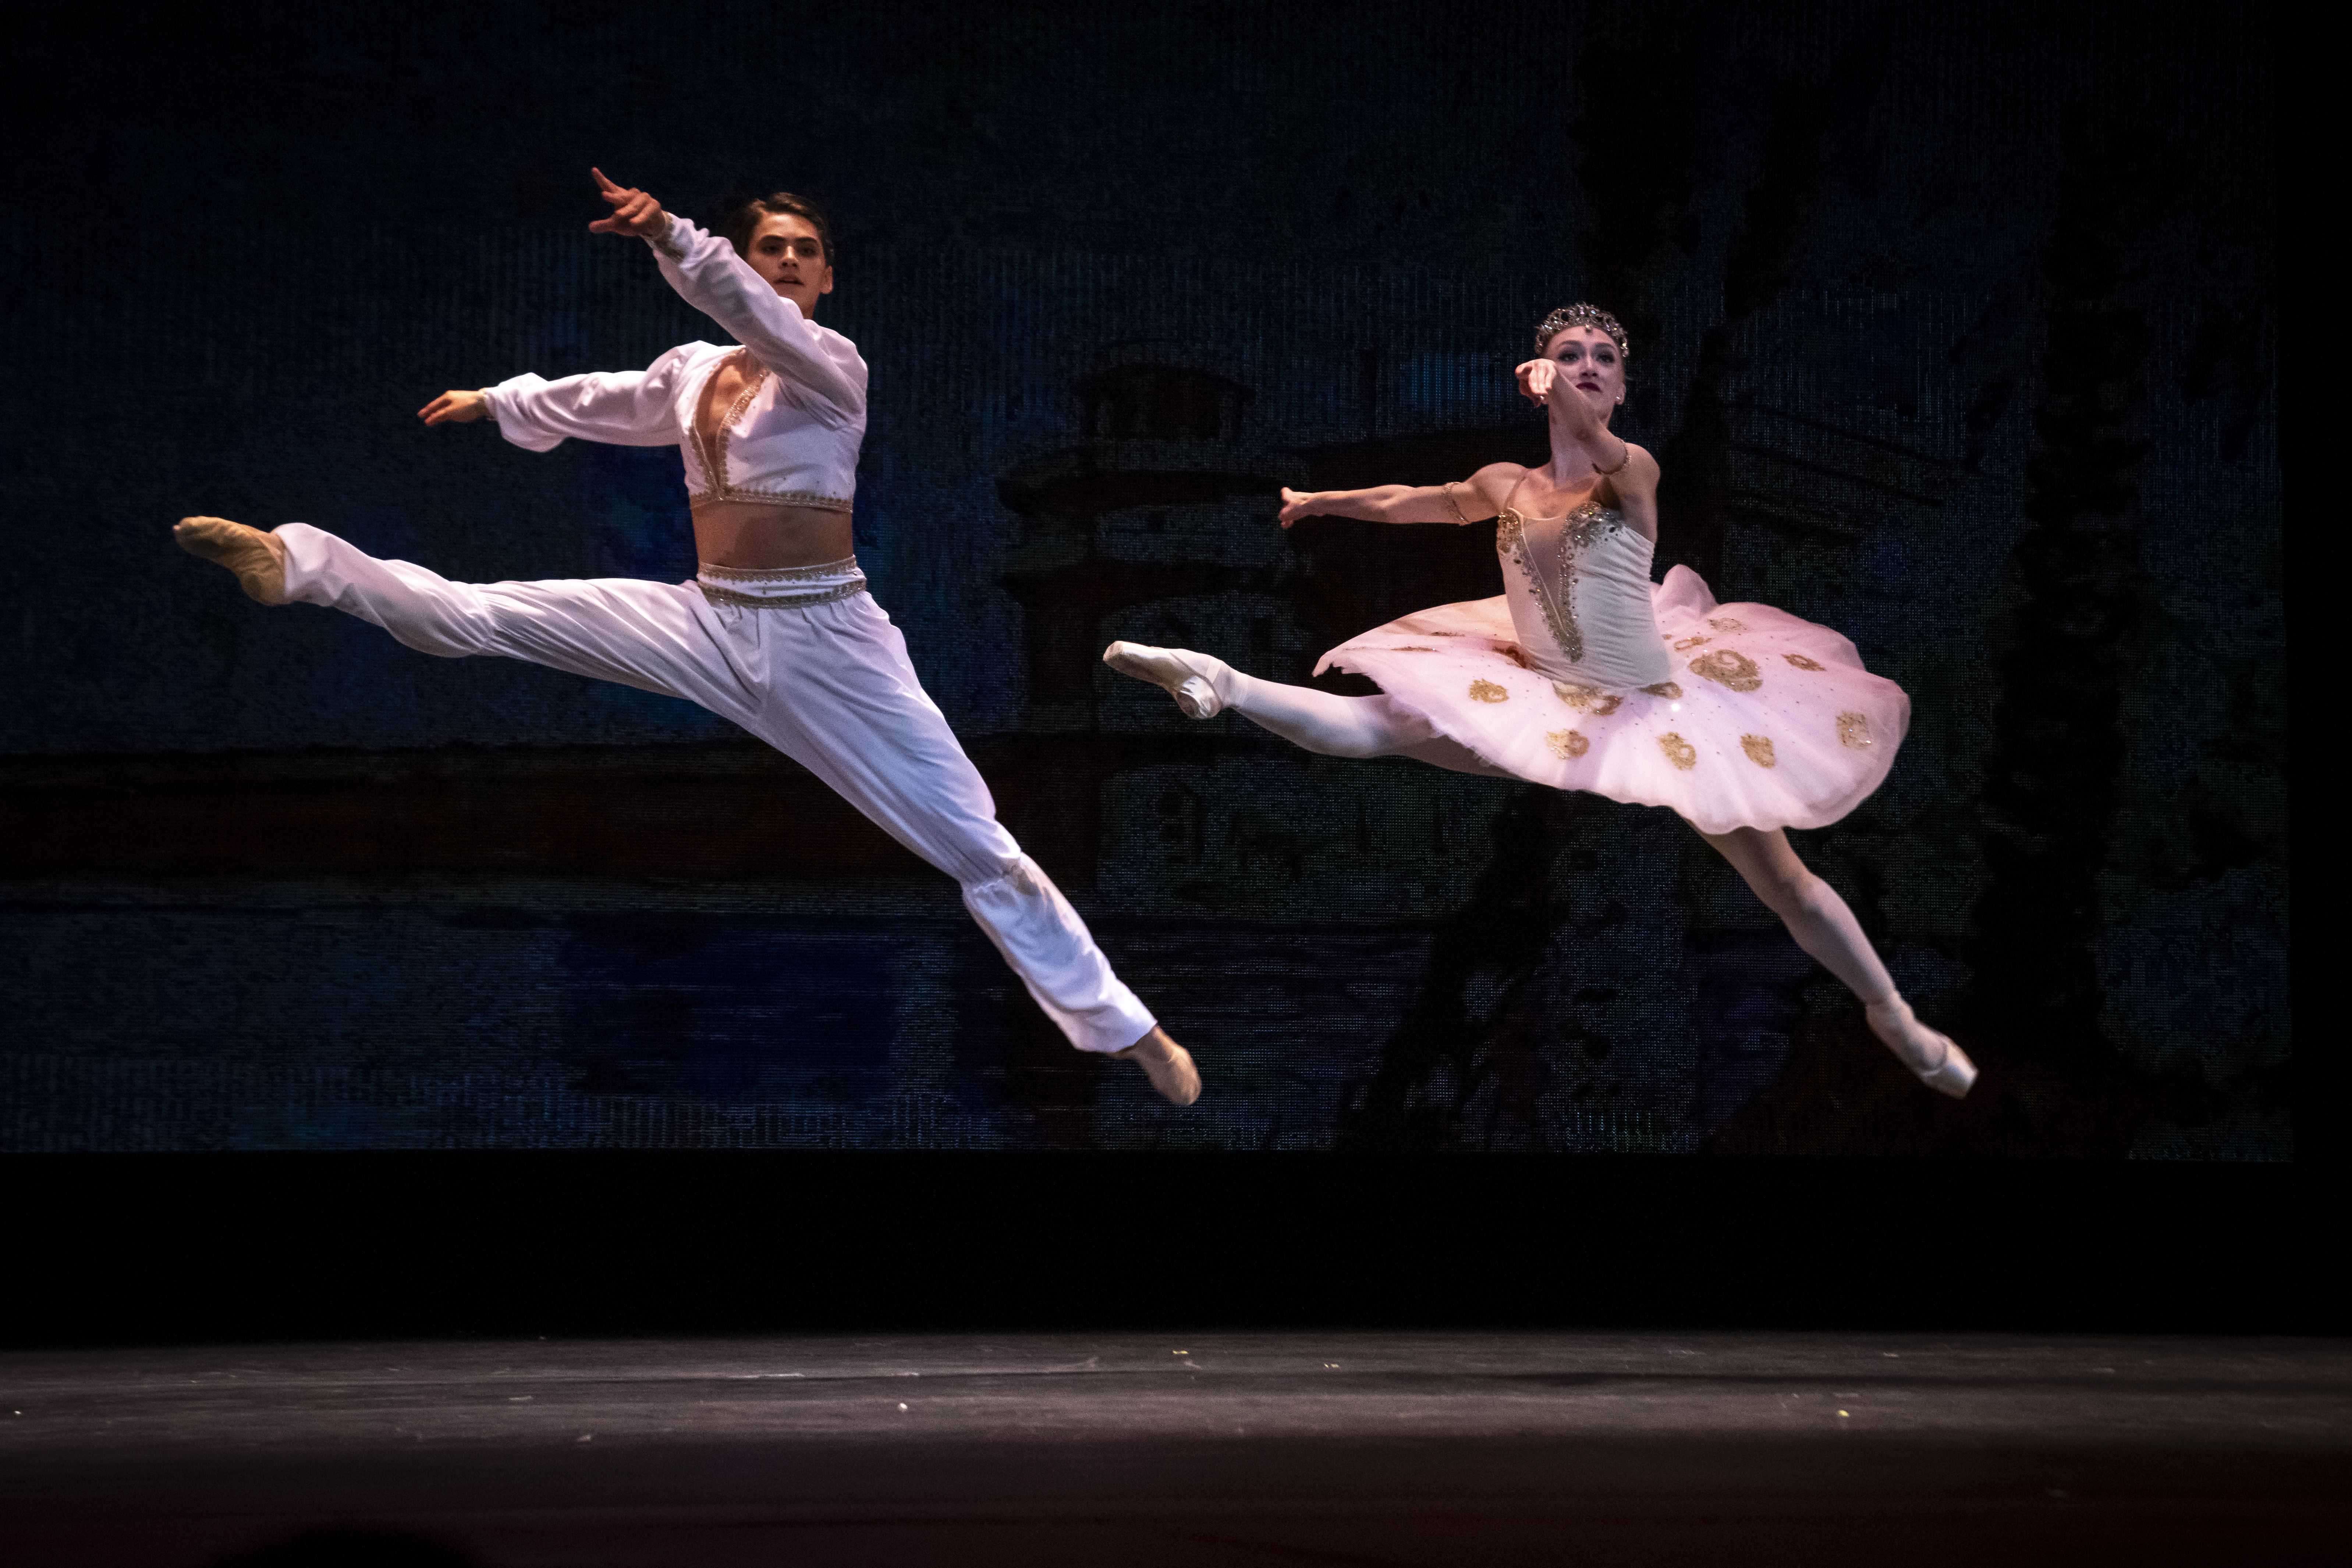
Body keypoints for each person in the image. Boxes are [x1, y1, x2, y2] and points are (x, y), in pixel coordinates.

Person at [174, 169, 1199, 1105]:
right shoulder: (695, 373)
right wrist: (502, 400)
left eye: (805, 251)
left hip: (825, 638)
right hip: (707, 616)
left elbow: (741, 307)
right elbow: (611, 399)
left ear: (827, 279)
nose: (788, 263)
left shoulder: (832, 366)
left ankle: (1124, 1025)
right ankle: (295, 563)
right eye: (773, 248)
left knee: (974, 841)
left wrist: (673, 234)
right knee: (480, 614)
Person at [1104, 304, 1973, 1097]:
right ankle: (1222, 680)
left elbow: (1600, 444)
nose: (1587, 365)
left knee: (1782, 880)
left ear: (1621, 385)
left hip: (1654, 704)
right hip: (1540, 687)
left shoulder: (1629, 472)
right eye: (1569, 354)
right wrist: (1320, 501)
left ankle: (1890, 1013)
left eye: (1602, 358)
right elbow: (1419, 501)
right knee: (1379, 725)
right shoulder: (1506, 485)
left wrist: (1566, 395)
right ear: (1536, 376)